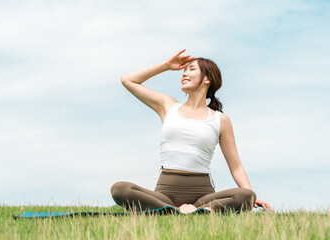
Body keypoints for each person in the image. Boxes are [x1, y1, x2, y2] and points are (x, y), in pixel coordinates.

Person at [111, 49, 273, 214]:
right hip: (164, 194)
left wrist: (251, 195)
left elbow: (236, 166)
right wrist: (166, 66)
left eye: (191, 69)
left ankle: (191, 209)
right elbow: (128, 80)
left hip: (203, 195)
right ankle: (179, 210)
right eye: (183, 71)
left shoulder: (220, 120)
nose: (184, 74)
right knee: (120, 189)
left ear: (207, 78)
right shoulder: (168, 106)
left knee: (246, 195)